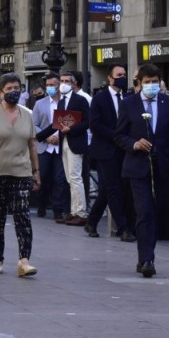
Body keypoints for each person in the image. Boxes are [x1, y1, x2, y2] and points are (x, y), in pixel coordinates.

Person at [115, 64, 169, 278]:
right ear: (139, 83)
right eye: (147, 82)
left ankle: (147, 254)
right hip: (137, 165)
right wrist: (134, 144)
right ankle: (147, 258)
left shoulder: (168, 103)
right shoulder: (129, 104)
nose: (151, 86)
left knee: (156, 211)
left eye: (155, 82)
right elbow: (119, 135)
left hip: (163, 165)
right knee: (144, 211)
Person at [0, 72, 40, 277]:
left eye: (16, 88)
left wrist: (36, 172)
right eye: (9, 89)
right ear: (1, 92)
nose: (13, 92)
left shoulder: (26, 115)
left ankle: (24, 260)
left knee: (22, 216)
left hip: (22, 171)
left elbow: (32, 145)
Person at [85, 63, 134, 241]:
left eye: (124, 74)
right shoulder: (100, 99)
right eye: (119, 74)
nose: (122, 77)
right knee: (113, 188)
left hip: (123, 150)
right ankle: (123, 228)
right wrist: (116, 136)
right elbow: (95, 125)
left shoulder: (127, 98)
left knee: (107, 189)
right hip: (105, 151)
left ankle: (92, 221)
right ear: (110, 78)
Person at [55, 70, 91, 226]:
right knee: (70, 178)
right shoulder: (61, 102)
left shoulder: (81, 100)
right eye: (61, 81)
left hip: (76, 142)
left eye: (66, 81)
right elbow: (57, 122)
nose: (63, 84)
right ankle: (74, 211)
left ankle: (81, 212)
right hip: (64, 142)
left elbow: (88, 121)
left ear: (73, 83)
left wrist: (72, 129)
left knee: (76, 178)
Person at [32, 74, 68, 220]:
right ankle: (41, 205)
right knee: (44, 177)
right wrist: (46, 136)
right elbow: (34, 124)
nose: (50, 88)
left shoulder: (65, 103)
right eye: (48, 85)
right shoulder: (40, 104)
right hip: (44, 147)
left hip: (61, 146)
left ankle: (58, 210)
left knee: (59, 179)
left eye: (53, 85)